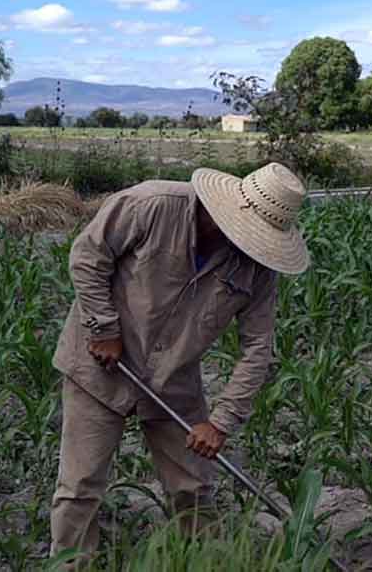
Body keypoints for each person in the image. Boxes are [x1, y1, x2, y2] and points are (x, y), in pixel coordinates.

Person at [49, 162, 310, 563]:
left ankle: (205, 563)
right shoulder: (151, 205)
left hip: (173, 379)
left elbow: (258, 347)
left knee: (194, 489)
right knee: (79, 488)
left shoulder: (257, 269)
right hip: (99, 368)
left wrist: (221, 422)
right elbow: (88, 256)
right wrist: (103, 327)